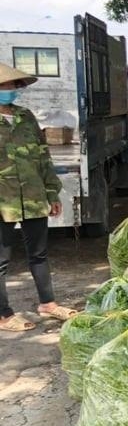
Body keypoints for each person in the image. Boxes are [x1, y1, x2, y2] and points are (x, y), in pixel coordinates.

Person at [0, 62, 73, 332]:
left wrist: (51, 192)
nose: (11, 90)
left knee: (39, 254)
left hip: (33, 197)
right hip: (3, 201)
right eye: (5, 86)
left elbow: (43, 156)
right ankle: (4, 315)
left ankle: (48, 304)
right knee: (1, 261)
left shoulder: (25, 116)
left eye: (13, 86)